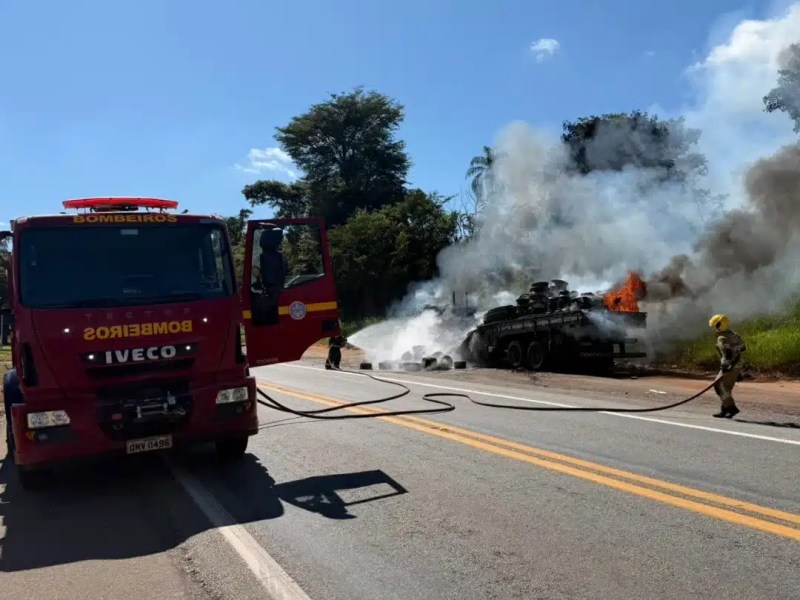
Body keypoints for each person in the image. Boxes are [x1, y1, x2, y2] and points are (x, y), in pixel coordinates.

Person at [708, 314, 746, 418]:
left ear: (719, 325)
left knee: (719, 386)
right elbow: (743, 347)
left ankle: (731, 408)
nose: (713, 328)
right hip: (738, 364)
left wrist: (725, 366)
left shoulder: (722, 338)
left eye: (714, 325)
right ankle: (724, 410)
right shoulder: (735, 335)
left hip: (730, 366)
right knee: (726, 388)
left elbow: (727, 353)